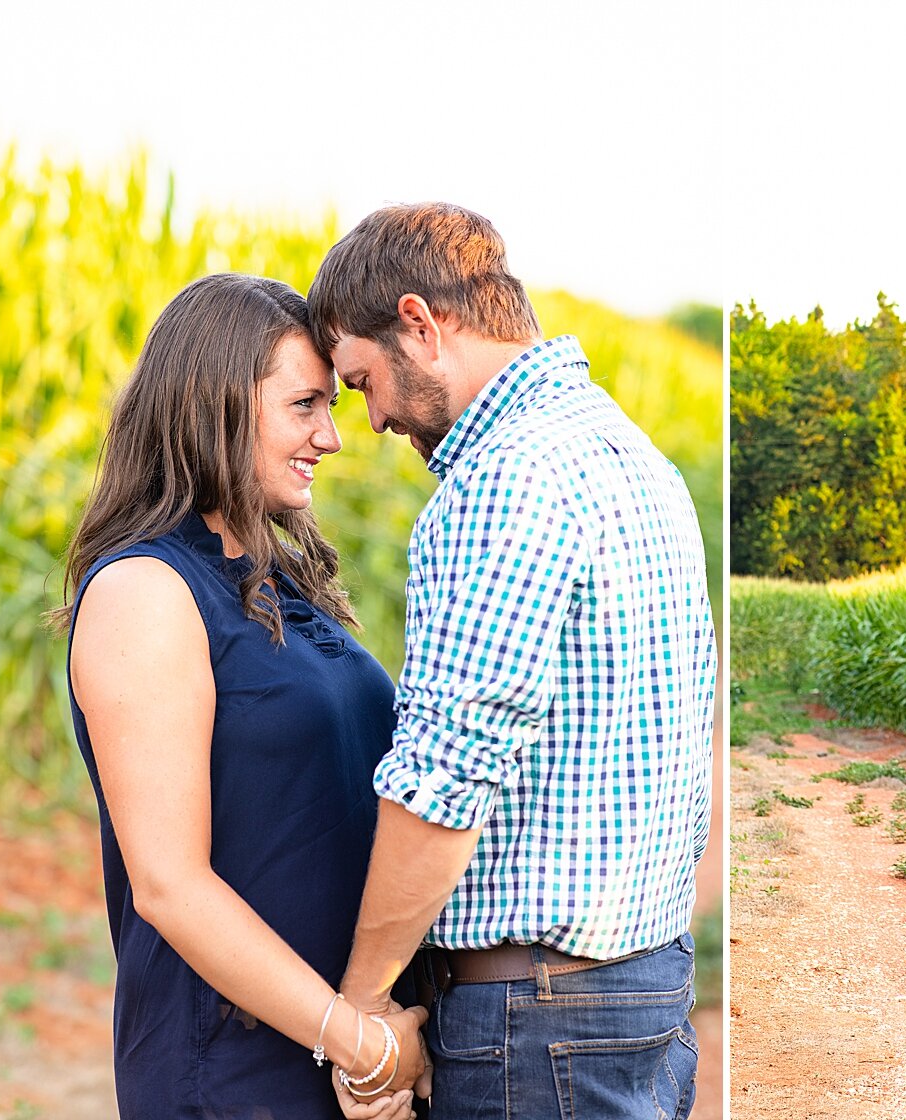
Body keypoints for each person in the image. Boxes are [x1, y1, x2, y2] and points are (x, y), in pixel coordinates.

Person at [305, 202, 716, 1120]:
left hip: (538, 1020)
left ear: (421, 324)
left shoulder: (505, 482)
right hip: (642, 984)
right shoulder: (631, 451)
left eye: (363, 380)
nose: (367, 419)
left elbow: (445, 778)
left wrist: (362, 1004)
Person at [55, 274, 428, 1119]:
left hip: (332, 1052)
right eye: (305, 405)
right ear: (215, 403)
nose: (332, 436)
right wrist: (358, 1040)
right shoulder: (145, 590)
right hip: (231, 1070)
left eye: (331, 404)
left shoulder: (277, 578)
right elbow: (170, 886)